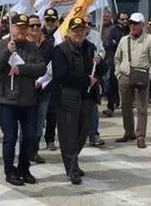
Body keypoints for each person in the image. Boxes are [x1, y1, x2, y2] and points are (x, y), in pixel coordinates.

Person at [0, 13, 46, 186]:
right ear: (12, 28)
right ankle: (9, 171)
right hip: (7, 99)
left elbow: (41, 68)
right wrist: (8, 51)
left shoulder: (32, 47)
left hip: (28, 100)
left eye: (24, 27)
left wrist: (22, 69)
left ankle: (24, 168)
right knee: (10, 137)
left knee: (29, 137)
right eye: (18, 27)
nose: (22, 30)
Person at [52, 16, 105, 185]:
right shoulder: (61, 50)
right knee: (68, 136)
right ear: (68, 32)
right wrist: (85, 80)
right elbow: (61, 75)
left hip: (88, 98)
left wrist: (100, 63)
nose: (78, 33)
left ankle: (72, 161)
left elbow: (102, 69)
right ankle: (72, 168)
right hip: (68, 99)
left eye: (81, 30)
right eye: (75, 30)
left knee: (83, 134)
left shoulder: (90, 47)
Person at [114, 13, 151, 149]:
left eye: (136, 23)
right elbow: (117, 58)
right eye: (131, 23)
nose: (133, 26)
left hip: (142, 76)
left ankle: (141, 136)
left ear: (142, 25)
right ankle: (129, 132)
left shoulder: (150, 39)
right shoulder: (124, 40)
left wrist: (149, 75)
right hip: (125, 76)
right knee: (125, 107)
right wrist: (118, 74)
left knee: (141, 108)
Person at [28, 14, 53, 163]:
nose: (35, 28)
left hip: (44, 90)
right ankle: (25, 151)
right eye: (32, 25)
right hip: (26, 91)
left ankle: (34, 151)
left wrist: (41, 81)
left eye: (38, 25)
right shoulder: (22, 44)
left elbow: (52, 66)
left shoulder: (49, 44)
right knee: (26, 124)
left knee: (38, 125)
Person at [102, 12, 130, 117]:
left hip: (128, 61)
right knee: (112, 85)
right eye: (122, 19)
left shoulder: (130, 31)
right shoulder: (113, 31)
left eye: (126, 19)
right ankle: (110, 107)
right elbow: (110, 44)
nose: (125, 21)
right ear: (118, 20)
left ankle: (126, 106)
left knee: (127, 85)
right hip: (115, 61)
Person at [84, 15, 106, 147]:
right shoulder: (71, 36)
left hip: (92, 76)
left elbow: (101, 50)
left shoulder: (95, 35)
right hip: (77, 78)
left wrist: (99, 57)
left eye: (89, 23)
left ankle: (93, 134)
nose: (87, 26)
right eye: (84, 23)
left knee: (93, 107)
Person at [41, 8, 60, 151]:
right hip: (39, 76)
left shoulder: (61, 35)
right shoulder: (37, 33)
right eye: (47, 19)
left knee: (52, 111)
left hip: (55, 78)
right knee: (36, 111)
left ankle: (50, 139)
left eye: (53, 20)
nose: (50, 22)